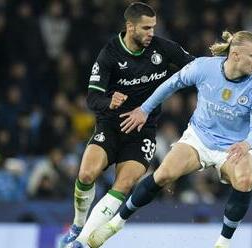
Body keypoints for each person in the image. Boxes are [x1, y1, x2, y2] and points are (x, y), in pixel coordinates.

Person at [87, 30, 252, 248]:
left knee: (245, 180)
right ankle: (117, 223)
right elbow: (171, 84)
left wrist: (246, 144)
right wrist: (145, 110)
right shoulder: (205, 67)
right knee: (164, 175)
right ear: (236, 55)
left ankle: (223, 243)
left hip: (234, 146)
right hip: (200, 138)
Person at [60, 2, 194, 248]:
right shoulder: (110, 53)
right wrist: (109, 101)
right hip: (110, 126)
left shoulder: (163, 49)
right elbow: (92, 98)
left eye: (153, 27)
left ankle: (80, 242)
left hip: (143, 132)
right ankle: (78, 224)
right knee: (86, 174)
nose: (151, 33)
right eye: (146, 28)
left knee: (124, 183)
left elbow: (195, 67)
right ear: (130, 27)